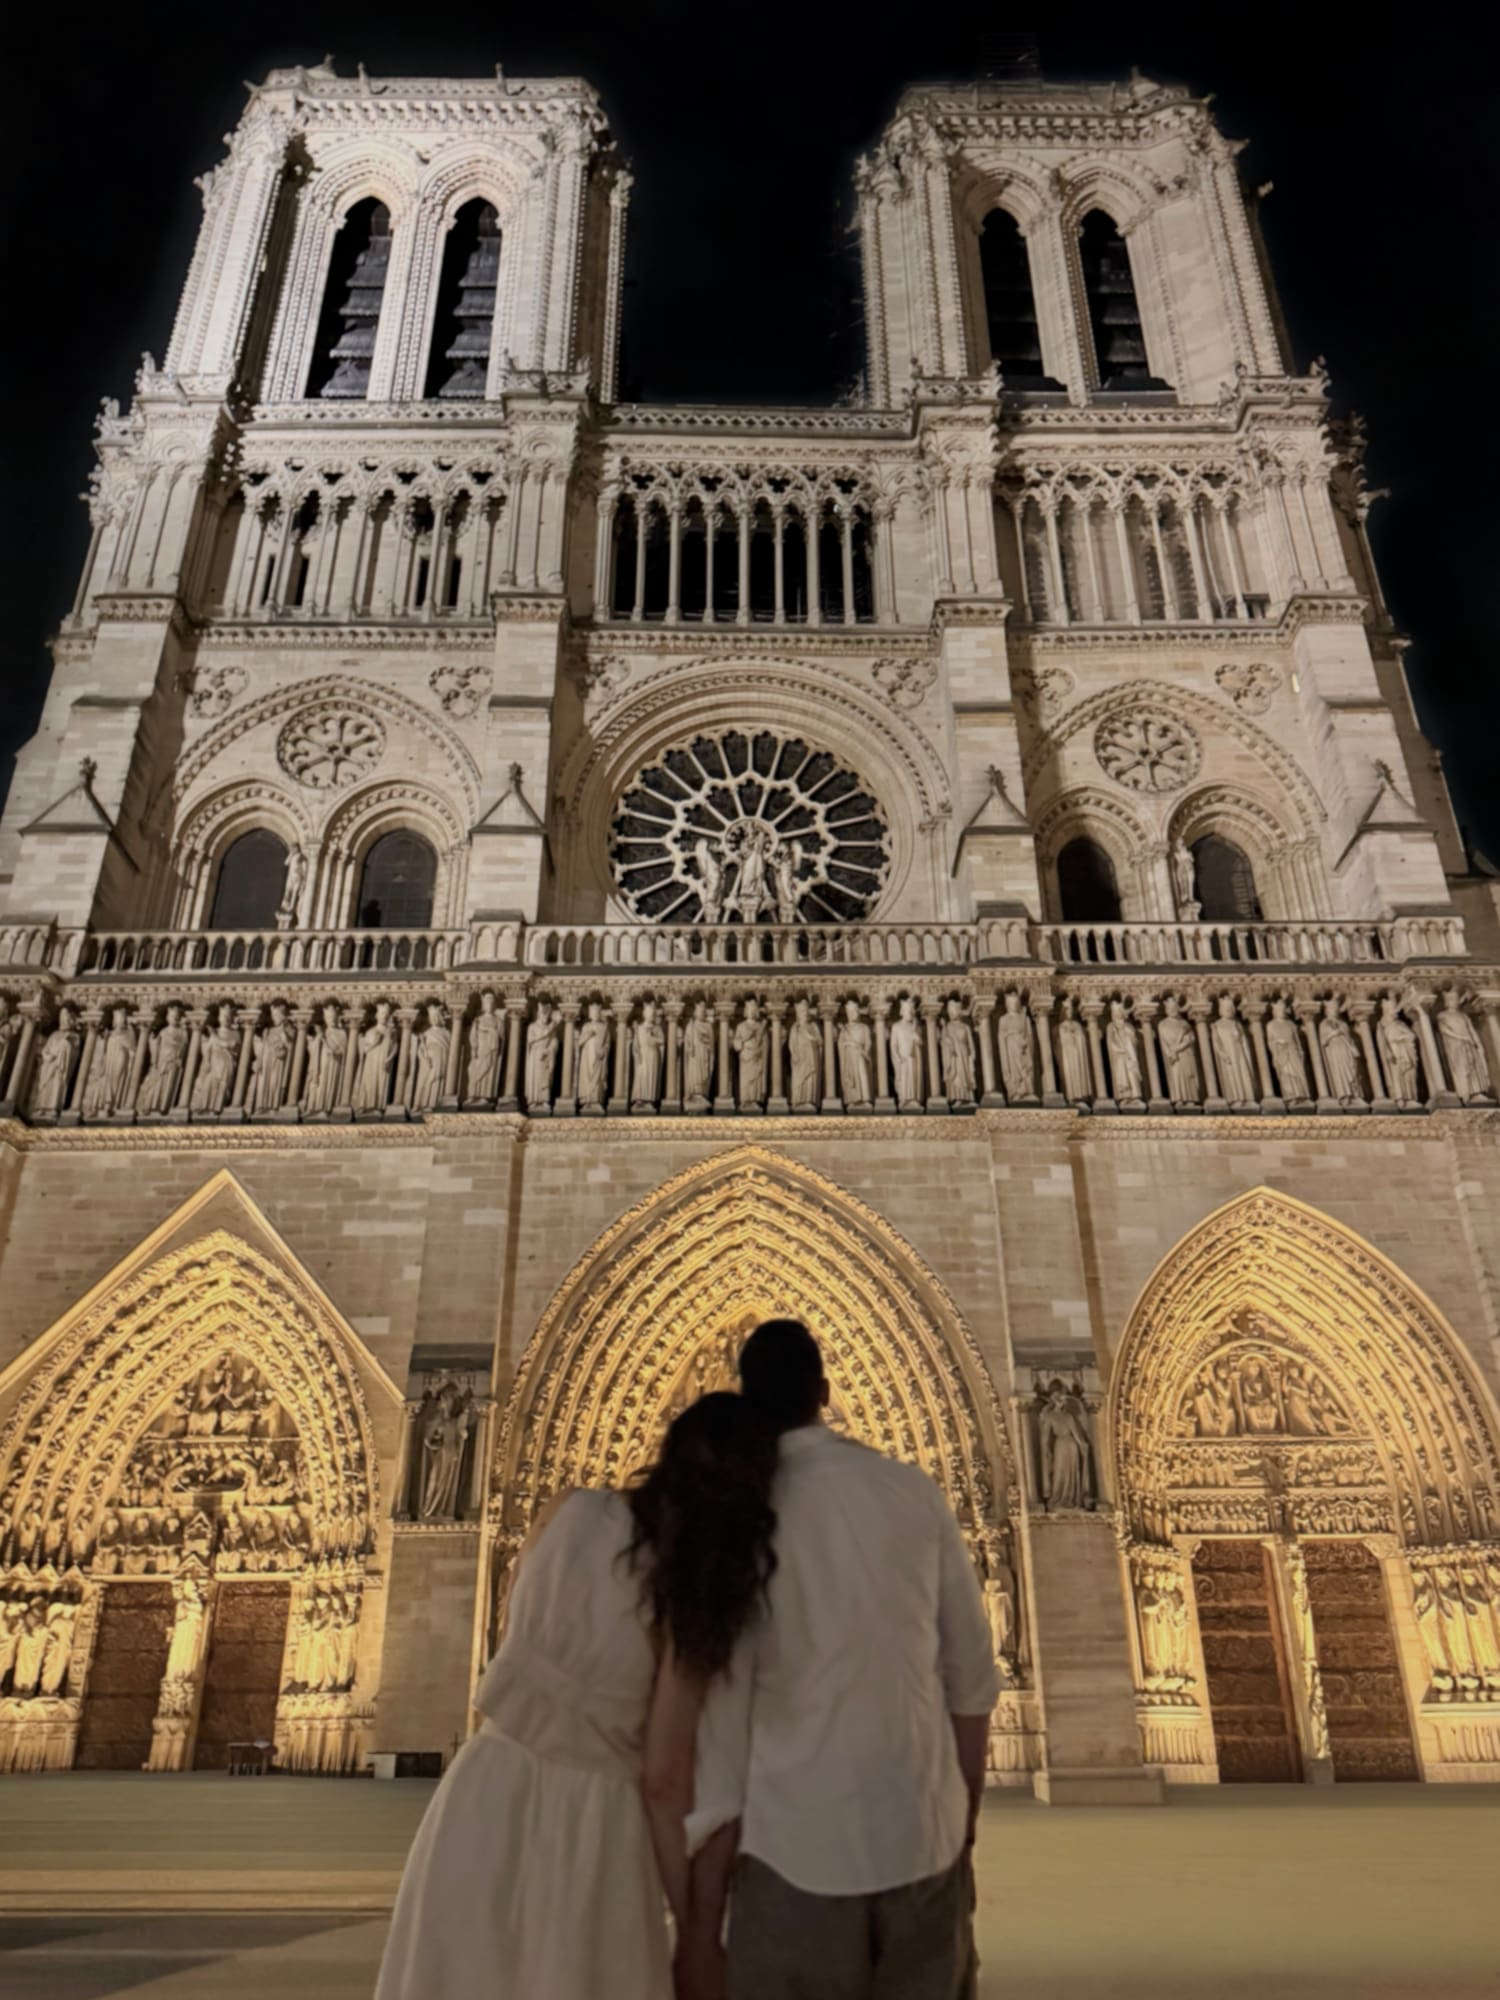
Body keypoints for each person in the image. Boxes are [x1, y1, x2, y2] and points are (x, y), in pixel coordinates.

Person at [375, 1392, 778, 2000]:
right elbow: (665, 1778)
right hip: (594, 1816)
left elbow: (512, 1628)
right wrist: (696, 1930)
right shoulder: (696, 1585)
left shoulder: (566, 1510)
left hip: (483, 1786)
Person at [677, 1319, 999, 2000]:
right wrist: (960, 1819)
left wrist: (703, 1917)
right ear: (826, 1391)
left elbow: (723, 1723)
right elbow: (970, 1679)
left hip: (789, 1850)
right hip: (922, 1839)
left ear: (745, 1397)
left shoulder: (736, 1516)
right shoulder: (913, 1492)